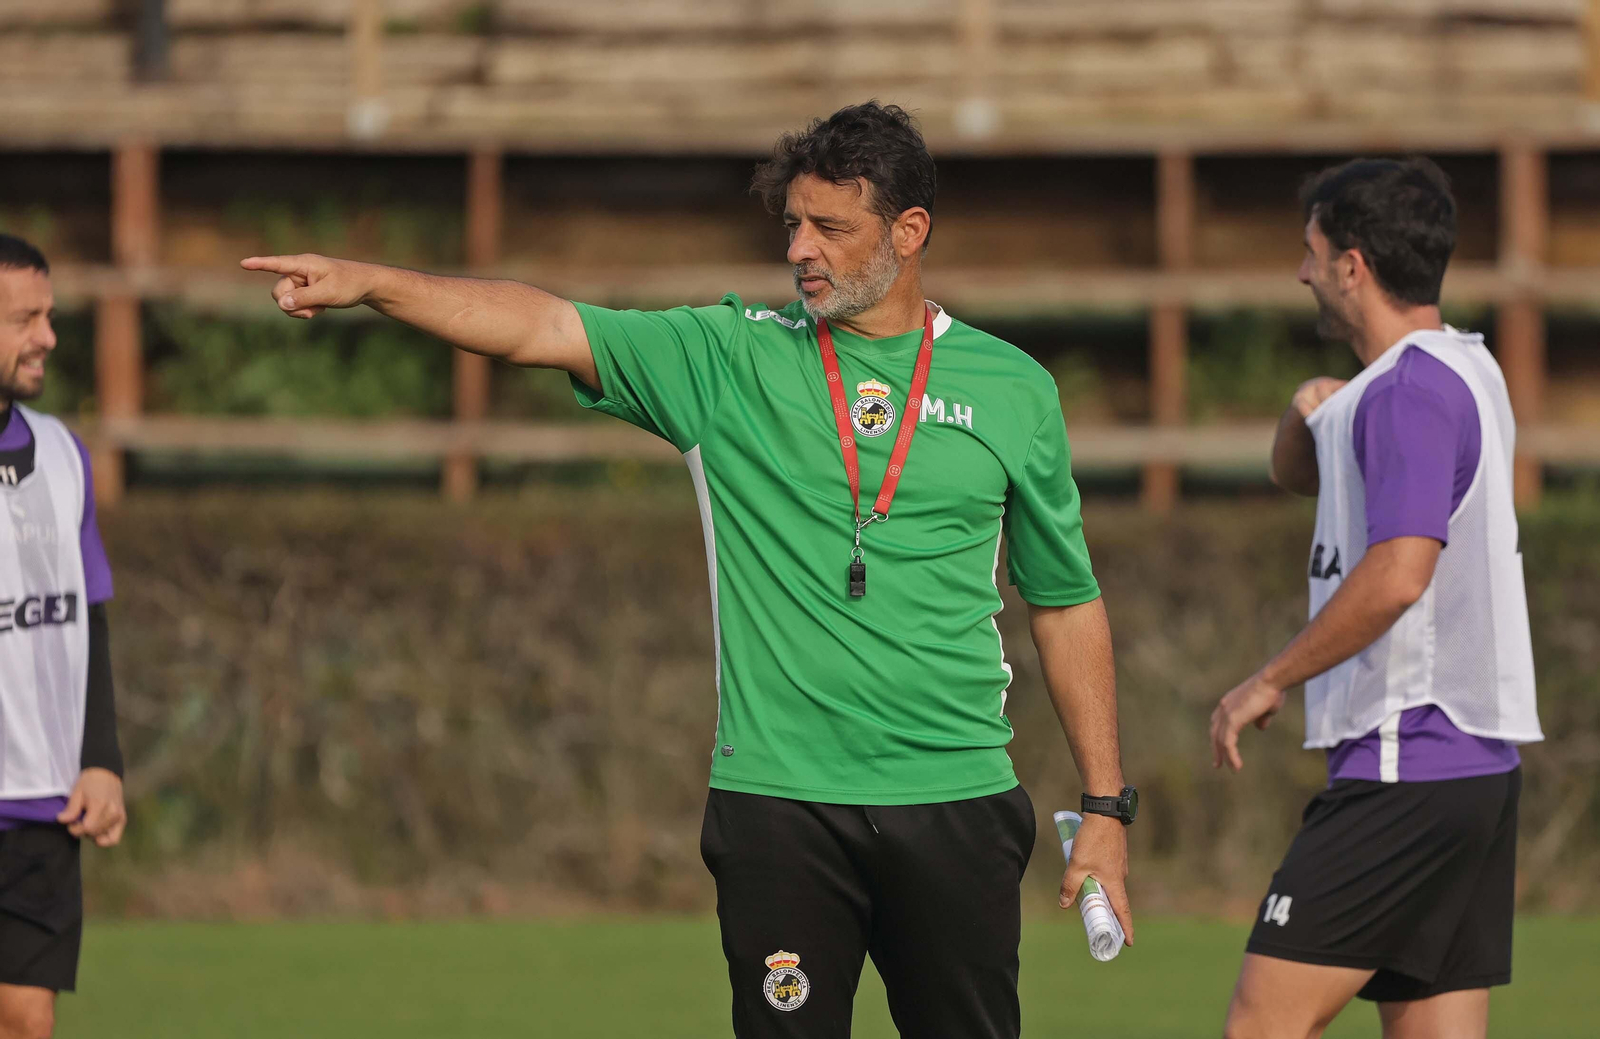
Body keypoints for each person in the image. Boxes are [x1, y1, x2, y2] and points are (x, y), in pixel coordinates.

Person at [242, 101, 1135, 1038]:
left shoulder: (1015, 388)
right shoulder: (727, 357)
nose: (802, 249)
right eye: (793, 223)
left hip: (956, 798)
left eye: (831, 226)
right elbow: (542, 326)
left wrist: (1106, 806)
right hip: (782, 810)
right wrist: (375, 281)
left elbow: (1065, 600)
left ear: (910, 232)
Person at [1210, 158, 1542, 1039]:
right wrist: (1305, 408)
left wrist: (1268, 679)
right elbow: (1297, 469)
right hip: (1476, 773)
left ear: (1353, 265)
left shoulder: (1406, 393)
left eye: (1311, 252)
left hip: (1407, 761)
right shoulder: (1464, 370)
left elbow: (1400, 575)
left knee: (1261, 1024)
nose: (1302, 272)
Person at [0, 234, 127, 1039]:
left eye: (49, 315)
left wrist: (102, 757)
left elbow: (90, 616)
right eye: (25, 318)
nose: (48, 336)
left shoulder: (63, 454)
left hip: (40, 801)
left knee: (26, 1019)